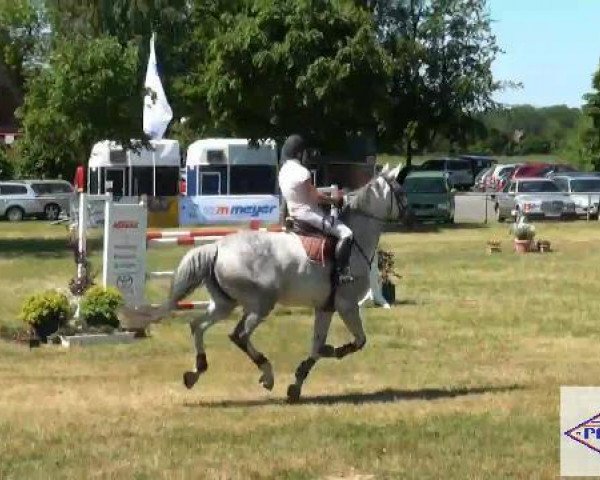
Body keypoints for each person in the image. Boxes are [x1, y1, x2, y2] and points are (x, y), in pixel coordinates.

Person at [278, 134, 354, 284]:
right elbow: (315, 197)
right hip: (309, 215)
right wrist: (335, 200)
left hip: (293, 215)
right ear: (299, 153)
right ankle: (342, 272)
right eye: (305, 152)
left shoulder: (283, 171)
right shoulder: (302, 172)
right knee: (347, 233)